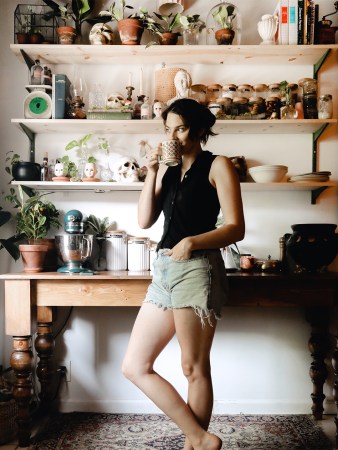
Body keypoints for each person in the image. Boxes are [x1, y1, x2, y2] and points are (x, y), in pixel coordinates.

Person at [122, 98, 245, 450]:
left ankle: (196, 445)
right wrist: (152, 171)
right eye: (167, 129)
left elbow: (236, 228)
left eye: (180, 127)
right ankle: (200, 438)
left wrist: (192, 241)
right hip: (163, 270)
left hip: (197, 269)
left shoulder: (218, 165)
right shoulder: (168, 169)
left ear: (200, 129)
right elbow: (144, 220)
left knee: (193, 367)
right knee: (134, 365)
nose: (173, 135)